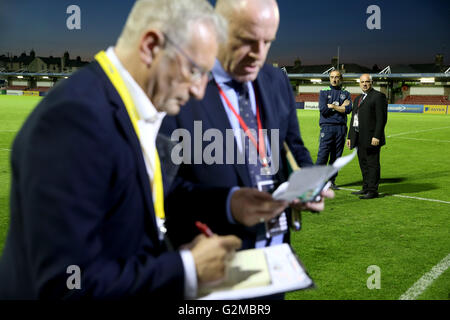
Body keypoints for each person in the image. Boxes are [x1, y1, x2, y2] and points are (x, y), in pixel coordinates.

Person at [0, 0, 290, 299]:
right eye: (195, 70)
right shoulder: (74, 119)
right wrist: (187, 268)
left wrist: (228, 202)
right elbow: (67, 286)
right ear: (151, 46)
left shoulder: (134, 108)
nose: (199, 91)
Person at [160, 0, 333, 251]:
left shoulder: (276, 81)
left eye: (267, 42)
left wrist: (309, 182)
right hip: (214, 261)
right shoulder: (178, 88)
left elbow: (294, 147)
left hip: (278, 255)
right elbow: (162, 187)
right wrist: (228, 204)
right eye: (247, 40)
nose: (259, 54)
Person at [347, 74, 388, 199]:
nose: (364, 84)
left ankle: (372, 190)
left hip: (372, 138)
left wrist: (377, 136)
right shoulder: (357, 99)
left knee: (372, 164)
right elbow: (354, 119)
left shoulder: (378, 96)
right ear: (359, 83)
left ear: (371, 82)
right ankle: (365, 187)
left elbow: (382, 119)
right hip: (359, 137)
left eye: (367, 82)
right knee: (363, 163)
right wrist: (350, 136)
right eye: (362, 82)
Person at [315, 70, 352, 190]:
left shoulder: (345, 93)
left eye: (337, 77)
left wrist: (333, 106)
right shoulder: (324, 92)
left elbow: (348, 110)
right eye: (332, 77)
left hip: (341, 128)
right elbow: (323, 110)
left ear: (341, 79)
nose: (334, 79)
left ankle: (331, 181)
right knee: (323, 156)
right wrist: (341, 107)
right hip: (327, 127)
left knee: (336, 157)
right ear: (329, 79)